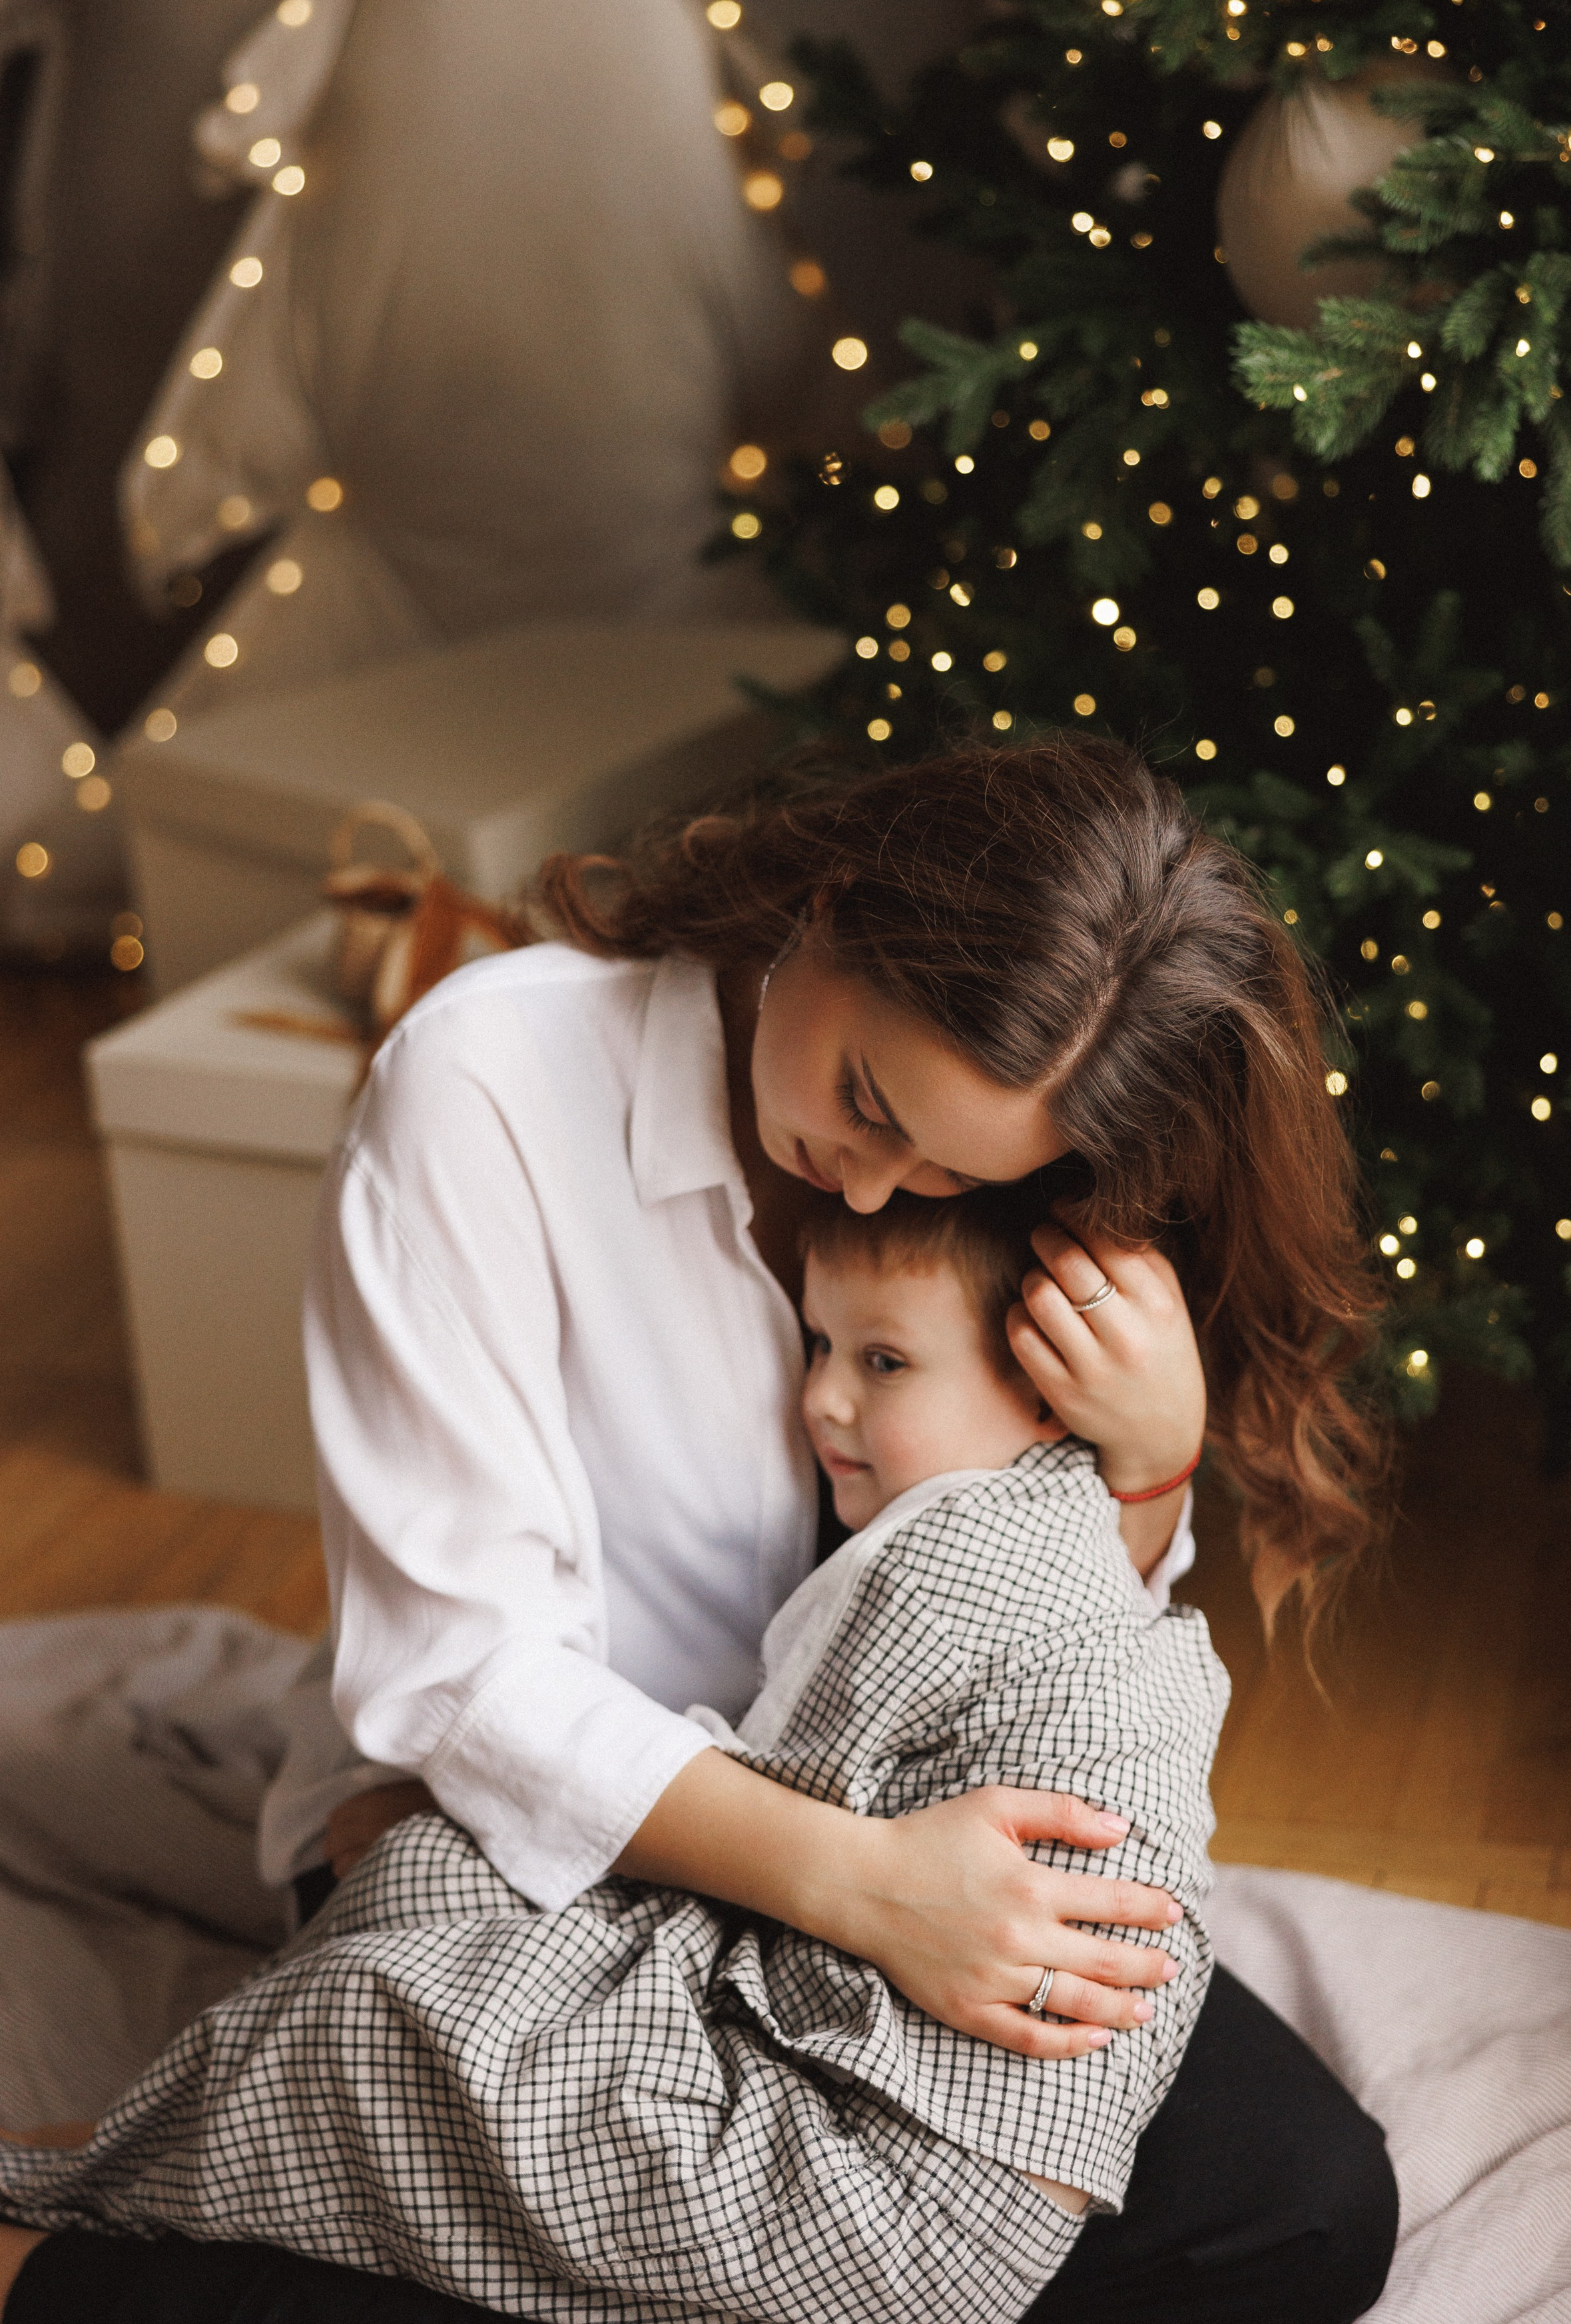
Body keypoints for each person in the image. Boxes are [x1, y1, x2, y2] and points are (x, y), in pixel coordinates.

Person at [0, 736, 1399, 2323]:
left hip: (900, 1842)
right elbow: (456, 1675)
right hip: (525, 1841)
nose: (876, 1186)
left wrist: (1148, 1466)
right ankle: (63, 2279)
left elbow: (1009, 1583)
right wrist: (862, 1885)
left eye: (947, 1165)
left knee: (1304, 2209)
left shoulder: (1015, 1138)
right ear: (827, 901)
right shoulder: (485, 1087)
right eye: (865, 1099)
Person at [0, 1191, 1231, 2322]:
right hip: (946, 2109)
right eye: (818, 1347)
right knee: (442, 1881)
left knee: (393, 2011)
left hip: (898, 2188)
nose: (822, 1400)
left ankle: (107, 2179)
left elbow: (777, 1804)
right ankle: (162, 2158)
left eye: (883, 1360)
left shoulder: (946, 1569)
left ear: (1041, 1389)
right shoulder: (1041, 1516)